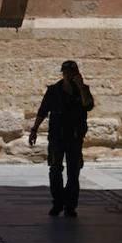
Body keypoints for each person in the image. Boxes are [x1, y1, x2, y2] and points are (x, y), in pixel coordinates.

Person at [28, 60, 95, 217]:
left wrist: (80, 87)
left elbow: (88, 106)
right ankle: (58, 203)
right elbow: (43, 111)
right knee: (55, 169)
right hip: (57, 136)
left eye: (73, 72)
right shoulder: (54, 91)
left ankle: (70, 206)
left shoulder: (83, 90)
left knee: (74, 171)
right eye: (67, 72)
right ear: (63, 73)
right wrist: (34, 130)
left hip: (75, 136)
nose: (70, 75)